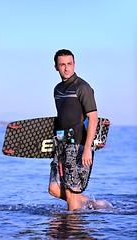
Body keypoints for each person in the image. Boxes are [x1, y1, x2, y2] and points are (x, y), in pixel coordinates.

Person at [48, 49, 98, 211]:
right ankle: (93, 205)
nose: (66, 68)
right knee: (54, 189)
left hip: (78, 145)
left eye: (69, 64)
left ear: (74, 64)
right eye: (62, 65)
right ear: (56, 66)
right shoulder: (57, 89)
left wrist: (87, 149)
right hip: (61, 144)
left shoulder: (82, 87)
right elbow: (62, 119)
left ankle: (74, 230)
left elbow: (93, 118)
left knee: (71, 191)